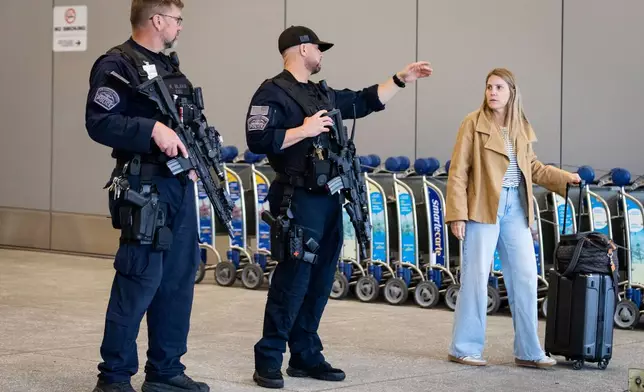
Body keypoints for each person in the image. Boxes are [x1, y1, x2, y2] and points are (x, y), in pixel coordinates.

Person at [245, 25, 432, 389]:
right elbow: (257, 138)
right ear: (301, 50)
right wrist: (304, 129)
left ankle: (305, 355)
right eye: (318, 48)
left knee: (320, 281)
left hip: (329, 198)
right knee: (293, 280)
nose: (322, 55)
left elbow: (363, 101)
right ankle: (269, 358)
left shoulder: (321, 92)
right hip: (297, 198)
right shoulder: (272, 92)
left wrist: (400, 78)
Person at [85, 1, 209, 391]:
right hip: (144, 189)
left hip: (177, 186)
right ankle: (115, 376)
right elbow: (99, 122)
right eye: (177, 19)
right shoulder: (116, 65)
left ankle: (166, 372)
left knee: (178, 279)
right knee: (138, 279)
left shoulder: (173, 69)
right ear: (157, 20)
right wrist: (150, 129)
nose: (181, 28)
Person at [444, 68, 581, 369]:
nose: (492, 92)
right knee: (477, 278)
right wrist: (457, 214)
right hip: (482, 206)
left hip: (516, 209)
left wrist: (564, 178)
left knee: (526, 278)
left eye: (499, 88)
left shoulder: (519, 127)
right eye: (489, 87)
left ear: (512, 93)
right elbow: (457, 173)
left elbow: (533, 168)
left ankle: (528, 351)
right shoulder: (472, 123)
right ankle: (464, 347)